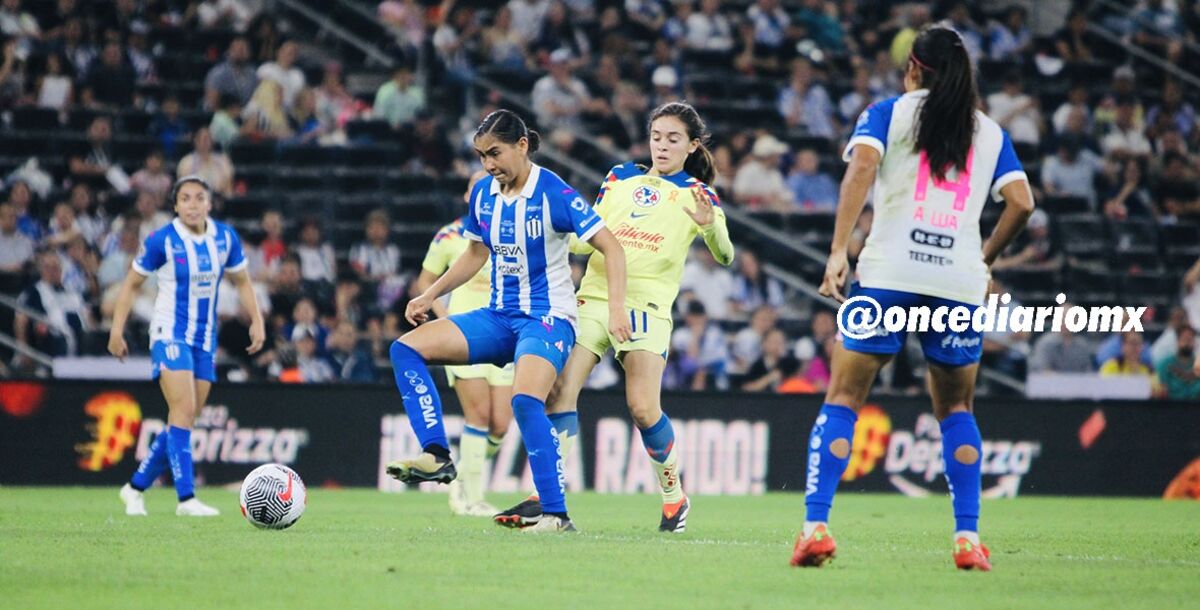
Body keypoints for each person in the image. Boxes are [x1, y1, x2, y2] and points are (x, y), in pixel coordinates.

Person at [793, 27, 1035, 571]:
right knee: (955, 409)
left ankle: (815, 527)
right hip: (956, 283)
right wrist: (984, 257)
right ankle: (967, 538)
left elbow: (861, 167)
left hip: (888, 273)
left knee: (844, 398)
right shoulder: (990, 133)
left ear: (914, 68)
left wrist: (838, 250)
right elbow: (1022, 202)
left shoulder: (889, 112)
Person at [493, 102, 734, 533]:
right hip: (594, 299)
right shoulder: (620, 177)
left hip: (647, 308)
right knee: (560, 390)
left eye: (673, 138)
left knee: (642, 408)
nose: (662, 145)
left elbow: (726, 254)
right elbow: (590, 242)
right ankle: (548, 498)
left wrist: (710, 225)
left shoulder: (699, 194)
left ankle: (674, 497)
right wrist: (555, 238)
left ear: (692, 145)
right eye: (656, 135)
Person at [385, 110, 629, 534]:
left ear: (522, 146)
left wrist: (616, 309)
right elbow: (475, 254)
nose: (488, 165)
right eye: (481, 156)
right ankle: (437, 455)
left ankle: (556, 515)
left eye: (494, 153)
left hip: (548, 319)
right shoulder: (483, 194)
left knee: (524, 400)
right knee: (405, 349)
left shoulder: (554, 192)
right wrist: (430, 293)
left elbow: (613, 248)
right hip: (499, 317)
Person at [110, 176, 265, 517]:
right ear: (175, 205)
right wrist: (117, 330)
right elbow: (131, 285)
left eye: (199, 198)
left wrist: (257, 319)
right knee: (182, 412)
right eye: (185, 198)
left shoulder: (225, 237)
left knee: (184, 419)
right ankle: (186, 499)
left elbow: (242, 281)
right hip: (169, 334)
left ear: (209, 204)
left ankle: (134, 488)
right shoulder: (161, 240)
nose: (193, 204)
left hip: (204, 339)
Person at [413, 171, 513, 517]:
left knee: (501, 423)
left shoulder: (509, 227)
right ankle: (471, 496)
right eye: (478, 187)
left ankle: (460, 477)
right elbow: (425, 279)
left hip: (505, 331)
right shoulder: (451, 235)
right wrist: (444, 317)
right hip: (467, 332)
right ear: (468, 197)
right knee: (479, 414)